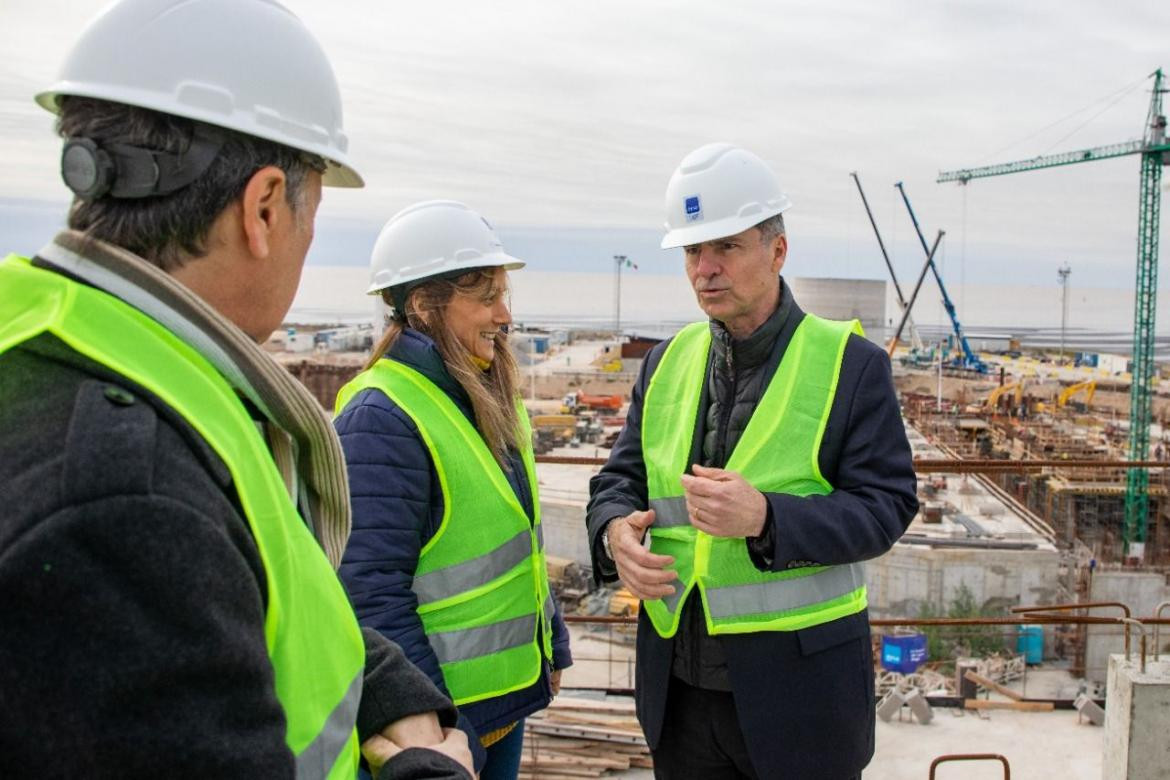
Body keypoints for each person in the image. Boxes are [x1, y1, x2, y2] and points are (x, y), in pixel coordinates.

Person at [0, 2, 474, 778]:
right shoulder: (122, 505)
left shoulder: (111, 364)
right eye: (310, 213)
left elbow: (269, 591)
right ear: (262, 210)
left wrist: (382, 685)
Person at [586, 143, 919, 780]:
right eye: (692, 251)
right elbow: (620, 480)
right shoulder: (665, 363)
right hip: (679, 697)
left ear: (777, 250)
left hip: (801, 704)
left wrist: (768, 518)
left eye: (727, 247)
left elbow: (887, 507)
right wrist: (612, 532)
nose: (705, 269)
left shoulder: (852, 366)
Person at [335, 200, 573, 780]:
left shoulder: (483, 397)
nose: (505, 315)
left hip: (498, 714)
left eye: (503, 294)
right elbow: (369, 596)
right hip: (441, 737)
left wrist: (553, 644)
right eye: (486, 296)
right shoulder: (381, 417)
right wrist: (435, 733)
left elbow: (516, 542)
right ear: (422, 305)